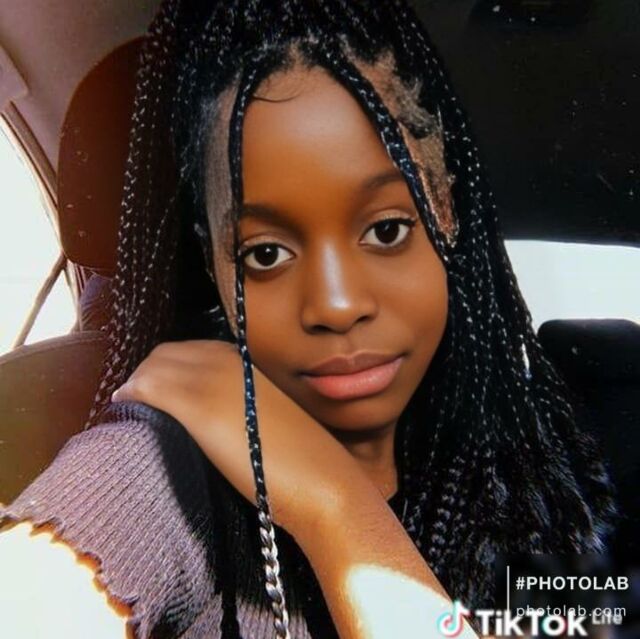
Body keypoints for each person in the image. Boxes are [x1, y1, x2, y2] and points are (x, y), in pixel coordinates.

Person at [0, 1, 617, 638]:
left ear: (446, 213)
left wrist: (334, 501)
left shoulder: (551, 476)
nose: (336, 305)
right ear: (214, 264)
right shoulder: (159, 467)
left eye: (386, 230)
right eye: (265, 254)